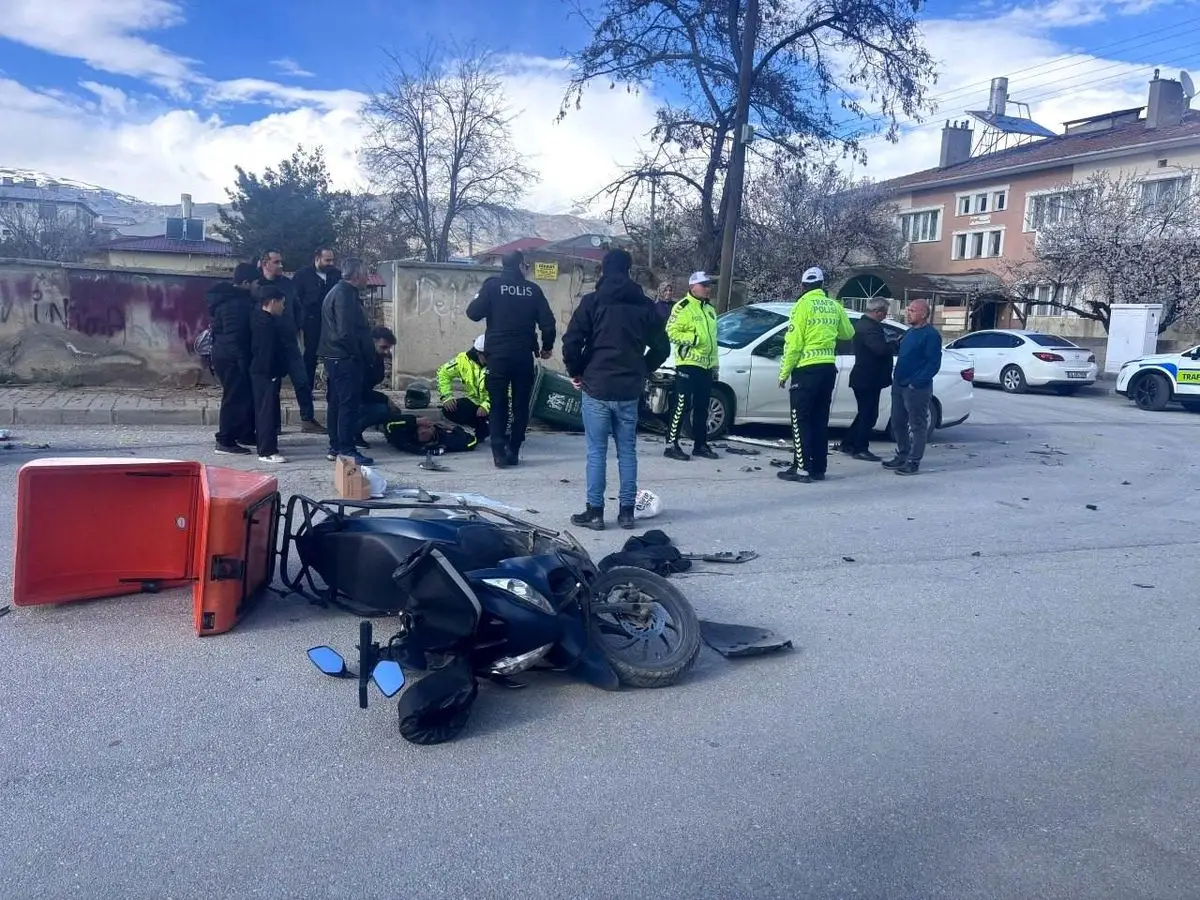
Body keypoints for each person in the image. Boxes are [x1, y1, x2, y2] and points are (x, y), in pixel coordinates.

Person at [563, 248, 670, 531]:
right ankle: (626, 514)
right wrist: (642, 369)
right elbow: (662, 348)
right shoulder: (644, 306)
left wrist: (576, 371)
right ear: (629, 271)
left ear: (603, 270)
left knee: (597, 452)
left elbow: (571, 341)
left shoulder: (592, 302)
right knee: (627, 451)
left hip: (596, 385)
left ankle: (595, 513)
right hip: (629, 389)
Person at [466, 250, 556, 468]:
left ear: (503, 265)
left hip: (497, 356)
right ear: (521, 266)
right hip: (523, 355)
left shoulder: (492, 286)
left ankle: (498, 452)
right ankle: (514, 450)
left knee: (498, 403)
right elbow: (548, 323)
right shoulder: (533, 290)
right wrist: (547, 347)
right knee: (520, 405)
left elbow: (473, 313)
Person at [777, 266, 855, 484]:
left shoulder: (802, 306)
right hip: (827, 369)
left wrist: (784, 373)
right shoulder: (834, 305)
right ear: (822, 285)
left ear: (803, 286)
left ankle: (801, 469)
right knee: (820, 420)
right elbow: (848, 333)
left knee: (800, 420)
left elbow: (793, 344)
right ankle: (819, 468)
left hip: (806, 371)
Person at [258, 249, 324, 435]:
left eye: (281, 262)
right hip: (269, 343)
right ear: (265, 263)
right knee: (273, 386)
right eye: (276, 262)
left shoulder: (288, 284)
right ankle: (274, 424)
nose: (281, 265)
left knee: (302, 381)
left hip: (289, 341)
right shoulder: (257, 285)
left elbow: (297, 306)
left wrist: (298, 326)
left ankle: (307, 419)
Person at [318, 257, 377, 465]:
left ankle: (336, 447)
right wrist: (358, 355)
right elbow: (346, 332)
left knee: (336, 403)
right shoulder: (344, 295)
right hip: (344, 358)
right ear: (357, 275)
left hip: (336, 357)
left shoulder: (339, 291)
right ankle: (346, 449)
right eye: (365, 274)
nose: (367, 278)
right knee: (347, 405)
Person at [663, 271, 720, 462]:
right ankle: (671, 444)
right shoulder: (682, 307)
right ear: (693, 287)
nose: (707, 289)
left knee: (703, 407)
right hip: (688, 364)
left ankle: (700, 445)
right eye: (704, 285)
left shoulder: (710, 309)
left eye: (709, 285)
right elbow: (670, 332)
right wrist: (693, 339)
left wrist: (715, 365)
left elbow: (713, 340)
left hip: (705, 365)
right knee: (682, 404)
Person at [883, 299, 942, 476]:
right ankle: (903, 454)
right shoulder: (909, 332)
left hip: (916, 388)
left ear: (923, 314)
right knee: (897, 422)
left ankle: (914, 461)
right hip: (899, 384)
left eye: (912, 311)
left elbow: (933, 364)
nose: (908, 313)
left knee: (917, 425)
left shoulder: (931, 335)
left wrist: (916, 383)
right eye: (908, 310)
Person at [208, 262, 259, 455]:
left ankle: (244, 434)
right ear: (246, 283)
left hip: (229, 356)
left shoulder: (238, 300)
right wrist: (243, 362)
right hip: (231, 358)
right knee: (233, 398)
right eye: (255, 283)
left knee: (243, 397)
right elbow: (234, 337)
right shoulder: (235, 304)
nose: (257, 286)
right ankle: (225, 440)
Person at [840, 297, 896, 462]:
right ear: (877, 312)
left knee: (865, 413)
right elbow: (880, 350)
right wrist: (893, 345)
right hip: (867, 378)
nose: (885, 316)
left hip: (867, 377)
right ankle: (860, 448)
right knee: (869, 415)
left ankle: (848, 443)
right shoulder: (869, 328)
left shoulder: (865, 324)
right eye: (884, 313)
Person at [248, 283, 291, 463]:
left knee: (268, 410)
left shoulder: (262, 319)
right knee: (267, 412)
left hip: (264, 371)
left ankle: (268, 447)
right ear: (273, 302)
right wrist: (272, 371)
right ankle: (267, 451)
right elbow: (266, 351)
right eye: (282, 303)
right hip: (266, 372)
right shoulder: (264, 323)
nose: (283, 307)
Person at [292, 247, 342, 391]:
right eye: (327, 260)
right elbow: (295, 300)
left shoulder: (336, 275)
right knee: (310, 357)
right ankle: (307, 389)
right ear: (317, 258)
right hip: (311, 323)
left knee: (333, 357)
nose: (331, 263)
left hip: (332, 323)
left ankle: (333, 391)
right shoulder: (302, 275)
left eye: (332, 260)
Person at [437, 334, 491, 440]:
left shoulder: (499, 362)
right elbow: (443, 373)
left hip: (495, 403)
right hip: (475, 401)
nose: (491, 357)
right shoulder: (462, 361)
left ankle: (492, 426)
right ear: (478, 353)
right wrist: (447, 396)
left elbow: (507, 388)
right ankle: (481, 425)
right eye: (487, 355)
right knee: (449, 409)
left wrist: (487, 405)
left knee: (506, 415)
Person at [357, 326, 399, 449]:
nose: (386, 351)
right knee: (382, 410)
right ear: (373, 342)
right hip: (353, 400)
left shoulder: (376, 358)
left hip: (362, 397)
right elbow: (360, 390)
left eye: (388, 348)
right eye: (383, 347)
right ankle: (353, 434)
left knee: (393, 412)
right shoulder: (361, 358)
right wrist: (385, 399)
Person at [382, 414, 478, 454]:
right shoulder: (402, 435)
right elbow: (388, 424)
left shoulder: (443, 438)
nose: (424, 431)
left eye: (427, 428)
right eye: (424, 428)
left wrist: (452, 428)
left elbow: (472, 442)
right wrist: (415, 421)